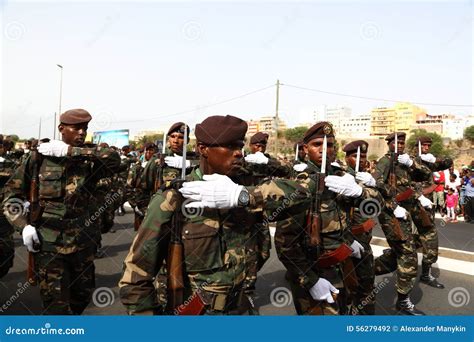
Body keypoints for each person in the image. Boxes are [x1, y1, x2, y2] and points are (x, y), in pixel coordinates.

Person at [180, 122, 381, 315]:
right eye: (317, 144)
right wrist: (311, 280)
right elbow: (286, 243)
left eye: (329, 144)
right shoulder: (302, 179)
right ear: (305, 149)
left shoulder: (342, 177)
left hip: (344, 267)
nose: (323, 149)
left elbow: (377, 203)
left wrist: (359, 192)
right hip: (315, 270)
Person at [119, 115, 267, 315]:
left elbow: (262, 243)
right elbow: (135, 277)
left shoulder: (243, 192)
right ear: (203, 149)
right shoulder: (174, 198)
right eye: (230, 146)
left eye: (240, 146)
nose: (238, 153)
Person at [2, 109, 120, 315]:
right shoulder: (38, 158)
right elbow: (10, 197)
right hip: (49, 244)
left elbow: (114, 159)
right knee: (56, 306)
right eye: (77, 128)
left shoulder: (91, 156)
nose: (82, 133)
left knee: (81, 297)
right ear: (61, 129)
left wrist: (69, 152)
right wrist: (23, 227)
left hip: (83, 242)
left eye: (85, 128)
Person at [372, 132, 432, 315]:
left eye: (402, 142)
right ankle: (403, 301)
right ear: (388, 143)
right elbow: (376, 185)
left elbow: (427, 175)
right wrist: (393, 205)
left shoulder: (407, 161)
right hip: (392, 214)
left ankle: (365, 271)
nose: (399, 145)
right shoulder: (384, 162)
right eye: (396, 142)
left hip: (409, 213)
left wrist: (412, 163)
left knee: (410, 247)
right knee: (408, 254)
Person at [342, 140, 382, 315]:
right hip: (344, 243)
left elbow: (379, 203)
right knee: (344, 288)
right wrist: (347, 239)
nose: (361, 159)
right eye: (355, 156)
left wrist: (373, 184)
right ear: (346, 158)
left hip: (364, 243)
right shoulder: (341, 178)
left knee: (366, 288)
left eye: (364, 156)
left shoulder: (367, 179)